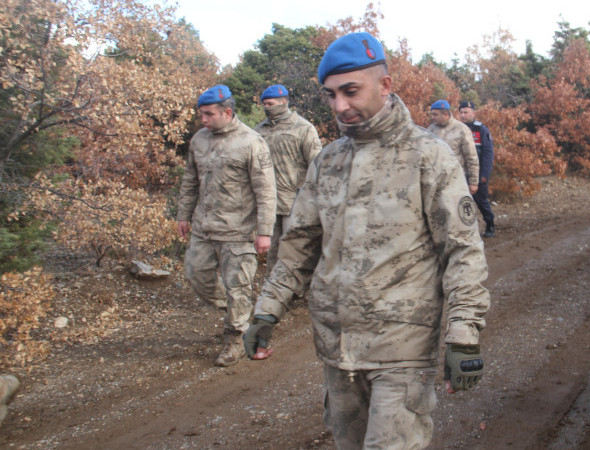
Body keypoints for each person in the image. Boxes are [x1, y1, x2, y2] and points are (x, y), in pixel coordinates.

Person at [245, 32, 490, 449]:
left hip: (403, 346)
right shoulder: (329, 161)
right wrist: (267, 309)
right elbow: (300, 244)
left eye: (351, 91)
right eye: (331, 95)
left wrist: (464, 332)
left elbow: (462, 250)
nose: (340, 106)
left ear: (385, 85)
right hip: (337, 347)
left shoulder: (428, 156)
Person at [176, 84, 277, 367]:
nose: (203, 120)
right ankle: (237, 312)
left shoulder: (251, 142)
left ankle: (235, 338)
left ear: (227, 112)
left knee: (238, 286)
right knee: (196, 274)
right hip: (204, 228)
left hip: (238, 232)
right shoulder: (199, 140)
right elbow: (189, 181)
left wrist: (265, 231)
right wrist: (183, 215)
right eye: (201, 115)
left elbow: (266, 191)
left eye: (208, 114)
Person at [253, 84, 322, 273]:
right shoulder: (259, 131)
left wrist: (315, 201)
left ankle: (297, 294)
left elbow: (318, 166)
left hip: (296, 203)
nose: (267, 108)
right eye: (264, 104)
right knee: (273, 254)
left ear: (284, 102)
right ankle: (274, 294)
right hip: (269, 204)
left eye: (271, 104)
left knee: (295, 253)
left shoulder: (303, 128)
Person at [426, 100, 480, 196]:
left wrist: (473, 182)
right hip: (434, 182)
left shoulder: (462, 130)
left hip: (455, 182)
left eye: (435, 115)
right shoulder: (430, 129)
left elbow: (471, 158)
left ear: (445, 114)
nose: (432, 117)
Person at [459, 101, 496, 238]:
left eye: (466, 112)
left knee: (481, 201)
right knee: (463, 204)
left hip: (478, 173)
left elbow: (488, 154)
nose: (463, 115)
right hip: (462, 173)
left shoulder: (481, 129)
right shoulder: (457, 129)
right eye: (461, 112)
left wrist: (484, 175)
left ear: (473, 113)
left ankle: (490, 224)